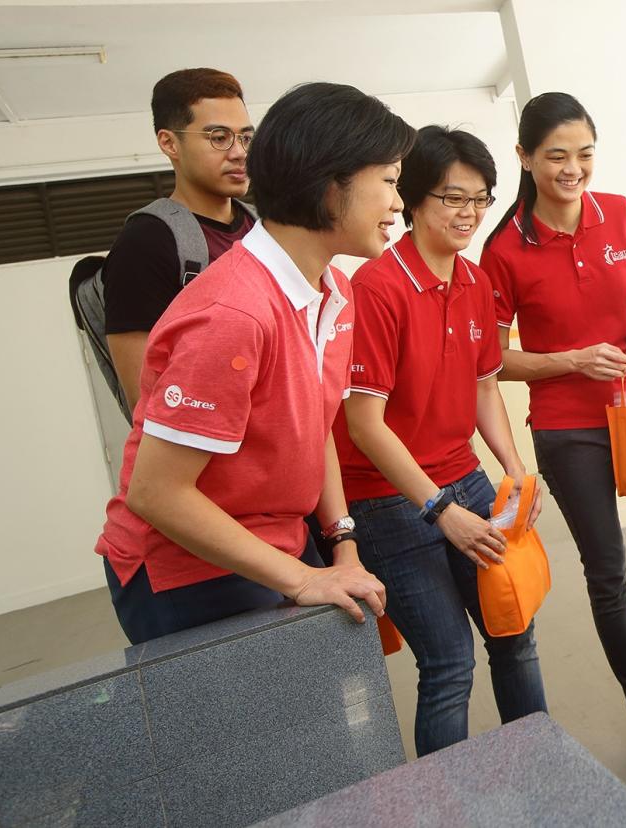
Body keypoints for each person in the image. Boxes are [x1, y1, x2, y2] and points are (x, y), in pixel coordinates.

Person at [94, 82, 416, 645]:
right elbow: (157, 493)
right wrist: (301, 578)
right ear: (327, 182)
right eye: (388, 181)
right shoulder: (235, 313)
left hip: (277, 540)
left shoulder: (332, 291)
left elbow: (311, 425)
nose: (397, 203)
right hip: (190, 567)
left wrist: (341, 539)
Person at [480, 91, 626, 776]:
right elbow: (492, 360)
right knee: (608, 576)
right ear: (525, 158)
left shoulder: (620, 212)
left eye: (584, 154)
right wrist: (571, 360)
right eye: (556, 156)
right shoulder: (503, 250)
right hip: (568, 430)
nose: (573, 168)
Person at [336, 125, 547, 756]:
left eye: (481, 199)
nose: (470, 213)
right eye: (454, 197)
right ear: (412, 199)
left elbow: (486, 388)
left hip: (465, 478)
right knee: (450, 663)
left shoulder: (476, 282)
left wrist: (515, 470)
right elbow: (363, 424)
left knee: (513, 630)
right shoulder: (375, 289)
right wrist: (438, 510)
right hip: (388, 499)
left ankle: (540, 769)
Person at [104, 68, 257, 412]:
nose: (239, 153)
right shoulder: (145, 243)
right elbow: (145, 401)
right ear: (169, 143)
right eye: (219, 137)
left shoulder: (262, 228)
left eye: (246, 137)